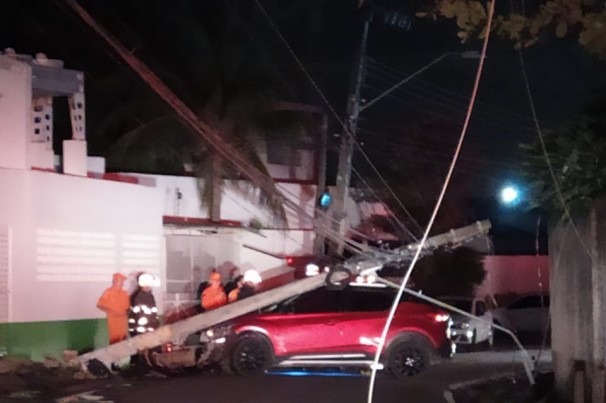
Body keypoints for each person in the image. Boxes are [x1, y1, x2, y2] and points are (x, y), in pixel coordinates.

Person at [97, 273, 130, 344]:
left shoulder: (125, 293)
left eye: (123, 281)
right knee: (115, 341)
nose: (122, 283)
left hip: (123, 321)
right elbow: (99, 305)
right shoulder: (108, 292)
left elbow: (128, 307)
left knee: (123, 341)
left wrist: (127, 312)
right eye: (121, 281)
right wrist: (110, 312)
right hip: (114, 321)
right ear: (115, 281)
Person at [128, 273, 160, 337]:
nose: (151, 286)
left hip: (146, 330)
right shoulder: (140, 296)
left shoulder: (148, 295)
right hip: (142, 331)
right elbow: (141, 315)